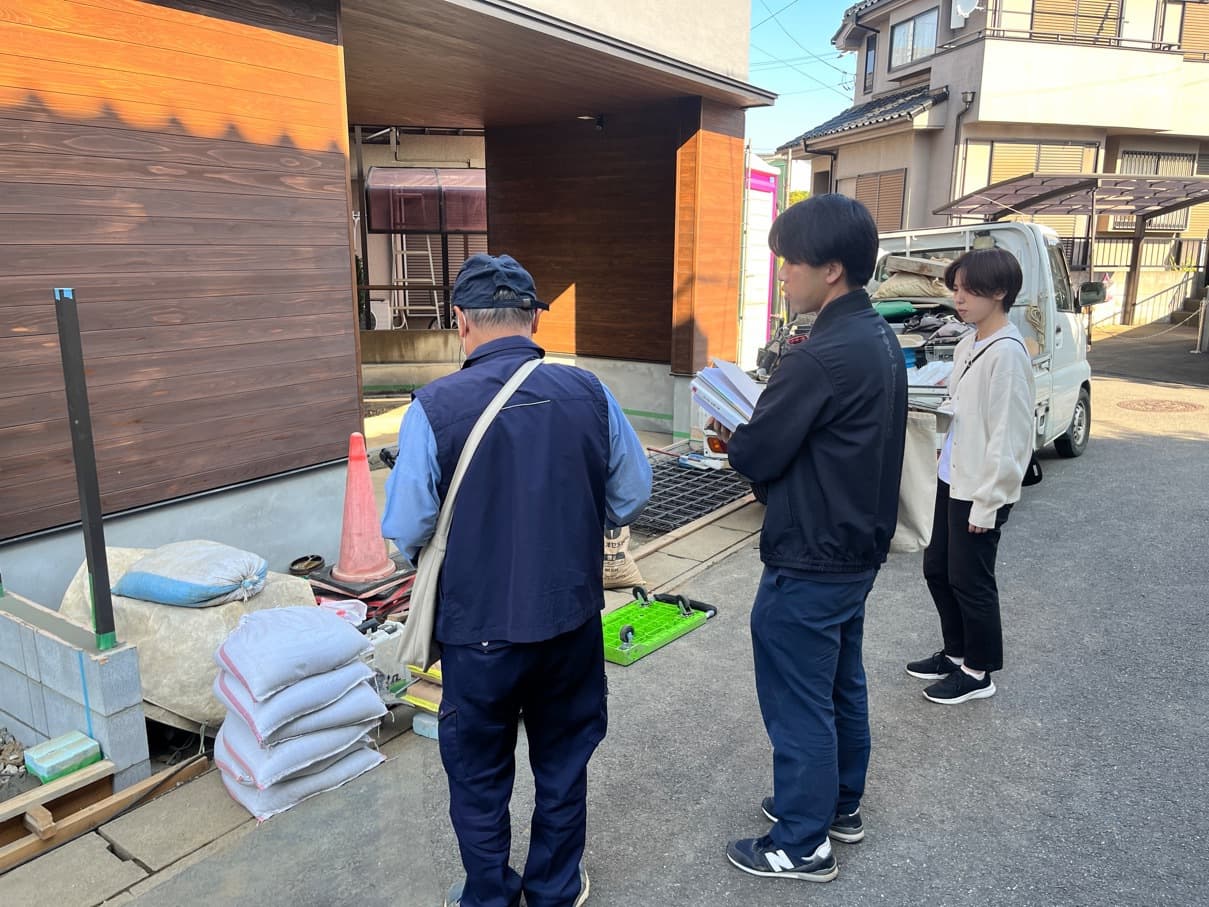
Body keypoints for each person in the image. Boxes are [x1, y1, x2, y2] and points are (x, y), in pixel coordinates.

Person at [381, 254, 652, 907]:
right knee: (562, 764)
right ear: (533, 318)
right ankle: (554, 888)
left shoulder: (432, 408)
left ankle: (490, 893)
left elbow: (405, 530)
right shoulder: (590, 392)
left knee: (478, 775)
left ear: (460, 321)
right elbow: (632, 493)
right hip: (570, 622)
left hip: (477, 632)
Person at [711, 194, 907, 884]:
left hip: (810, 552)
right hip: (855, 545)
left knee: (798, 699)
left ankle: (801, 841)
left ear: (830, 269)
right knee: (839, 683)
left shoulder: (816, 356)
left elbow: (756, 452)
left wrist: (734, 430)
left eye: (790, 261)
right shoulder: (879, 339)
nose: (783, 273)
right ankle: (837, 805)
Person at [906, 248, 1035, 705]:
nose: (957, 299)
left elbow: (1010, 435)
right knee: (937, 569)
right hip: (952, 476)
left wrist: (990, 501)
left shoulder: (1008, 354)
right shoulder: (969, 343)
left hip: (980, 486)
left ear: (998, 292)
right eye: (956, 289)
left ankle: (979, 671)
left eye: (967, 290)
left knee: (971, 580)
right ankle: (956, 653)